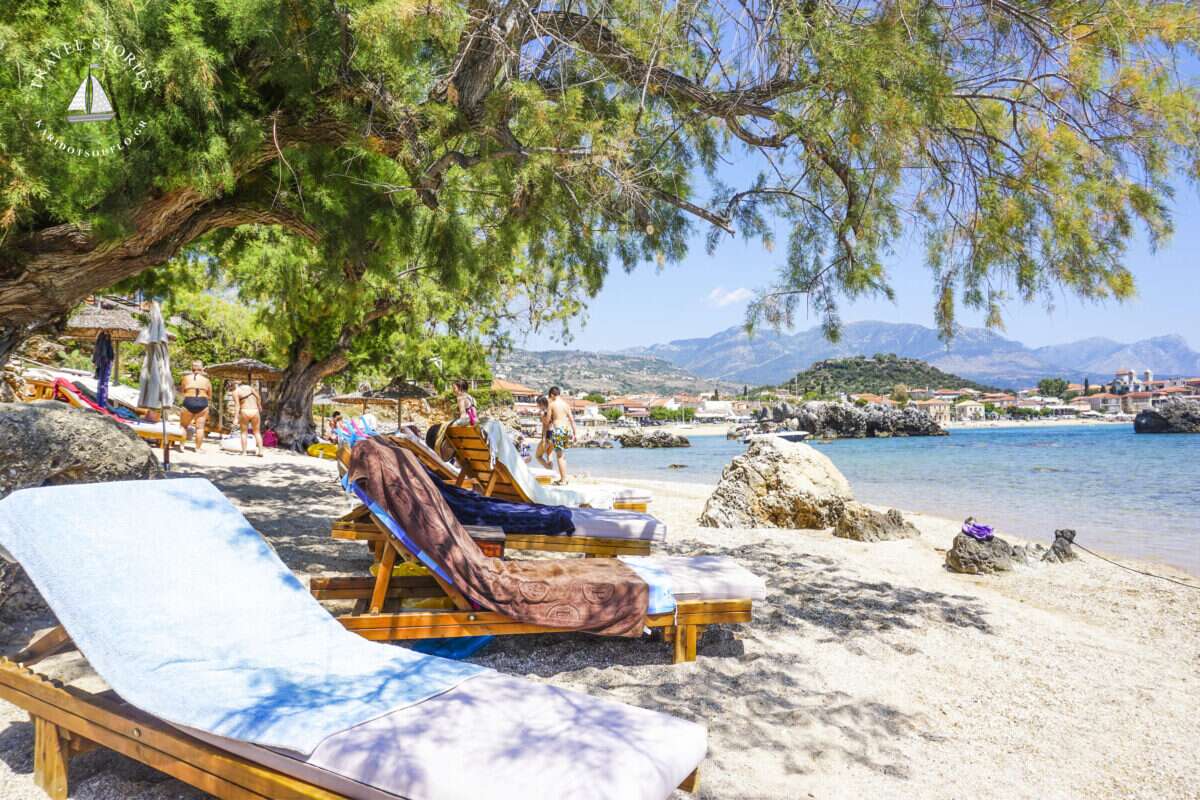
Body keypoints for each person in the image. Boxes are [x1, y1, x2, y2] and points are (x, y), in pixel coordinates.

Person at [179, 361, 212, 452]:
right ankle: (198, 448)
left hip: (189, 400)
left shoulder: (186, 378)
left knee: (183, 426)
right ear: (202, 369)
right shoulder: (206, 380)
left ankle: (182, 446)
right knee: (200, 428)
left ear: (191, 369)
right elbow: (209, 396)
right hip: (202, 401)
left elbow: (182, 392)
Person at [546, 386, 576, 485]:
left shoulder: (552, 404)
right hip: (566, 430)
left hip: (558, 430)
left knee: (559, 456)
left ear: (551, 395)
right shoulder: (566, 405)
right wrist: (575, 433)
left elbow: (547, 420)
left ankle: (563, 480)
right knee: (563, 456)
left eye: (550, 396)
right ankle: (564, 478)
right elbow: (572, 420)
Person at [234, 381, 264, 457]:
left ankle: (244, 452)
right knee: (257, 432)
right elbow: (258, 397)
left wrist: (236, 418)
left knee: (244, 433)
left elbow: (237, 406)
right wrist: (259, 405)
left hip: (244, 411)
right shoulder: (251, 388)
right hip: (255, 411)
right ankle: (260, 451)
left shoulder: (236, 392)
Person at [534, 395, 553, 469]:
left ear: (541, 403)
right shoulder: (551, 410)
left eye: (538, 404)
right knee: (549, 455)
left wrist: (544, 439)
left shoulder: (543, 413)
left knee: (538, 456)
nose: (537, 406)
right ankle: (551, 472)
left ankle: (549, 469)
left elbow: (545, 426)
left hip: (548, 435)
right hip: (554, 434)